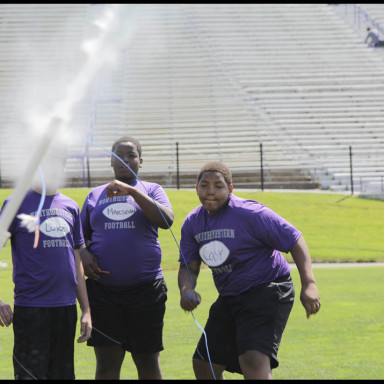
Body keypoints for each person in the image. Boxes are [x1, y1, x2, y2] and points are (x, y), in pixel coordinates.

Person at [178, 161, 321, 380]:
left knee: (253, 361)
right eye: (204, 185)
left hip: (268, 288)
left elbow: (294, 238)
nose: (211, 191)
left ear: (230, 189)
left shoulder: (250, 213)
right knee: (204, 364)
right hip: (231, 295)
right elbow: (190, 266)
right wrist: (186, 289)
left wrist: (309, 284)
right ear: (196, 188)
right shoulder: (192, 222)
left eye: (218, 185)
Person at [79, 136, 174, 380]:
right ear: (111, 159)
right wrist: (84, 253)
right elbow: (79, 239)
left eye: (131, 155)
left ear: (141, 161)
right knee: (107, 364)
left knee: (147, 360)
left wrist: (132, 190)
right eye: (119, 155)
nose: (125, 159)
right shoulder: (94, 195)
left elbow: (166, 221)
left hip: (146, 290)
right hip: (103, 292)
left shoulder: (152, 190)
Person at [0, 146, 92, 380]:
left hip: (65, 309)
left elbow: (77, 263)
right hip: (31, 309)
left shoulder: (70, 206)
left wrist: (86, 310)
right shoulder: (15, 204)